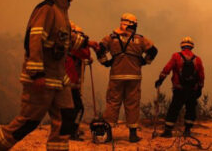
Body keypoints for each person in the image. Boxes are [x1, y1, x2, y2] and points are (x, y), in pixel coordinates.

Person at [0, 0, 86, 151]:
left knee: (66, 117)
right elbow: (34, 41)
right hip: (42, 79)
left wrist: (88, 43)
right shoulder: (46, 10)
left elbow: (63, 42)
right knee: (29, 121)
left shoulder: (62, 13)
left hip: (59, 80)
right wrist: (37, 73)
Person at [96, 13, 158, 142]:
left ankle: (107, 135)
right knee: (132, 103)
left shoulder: (111, 38)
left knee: (113, 102)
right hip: (134, 77)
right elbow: (153, 51)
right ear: (132, 25)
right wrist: (144, 61)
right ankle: (133, 134)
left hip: (116, 76)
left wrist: (105, 62)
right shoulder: (140, 39)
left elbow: (99, 48)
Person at [155, 37, 204, 138]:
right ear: (192, 46)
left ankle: (168, 131)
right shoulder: (197, 59)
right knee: (190, 109)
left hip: (179, 88)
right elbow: (201, 75)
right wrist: (200, 88)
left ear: (182, 45)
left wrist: (160, 80)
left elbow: (167, 69)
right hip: (192, 89)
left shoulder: (176, 56)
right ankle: (187, 131)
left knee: (174, 109)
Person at [61, 22, 98, 141]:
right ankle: (72, 132)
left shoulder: (63, 46)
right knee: (78, 108)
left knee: (65, 108)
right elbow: (86, 53)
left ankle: (64, 130)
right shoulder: (73, 46)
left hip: (63, 82)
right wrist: (85, 45)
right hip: (70, 82)